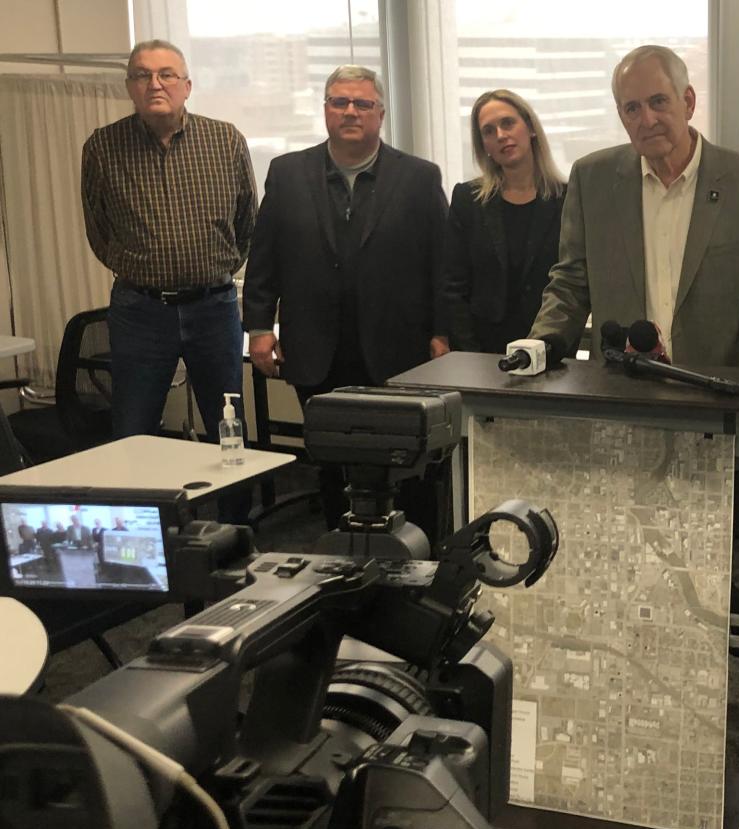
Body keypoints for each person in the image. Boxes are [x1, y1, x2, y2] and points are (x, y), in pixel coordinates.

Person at [528, 44, 739, 720]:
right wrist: (539, 343)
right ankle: (653, 684)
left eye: (657, 101)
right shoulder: (594, 180)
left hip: (718, 400)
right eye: (630, 106)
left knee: (704, 555)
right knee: (631, 544)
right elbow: (570, 282)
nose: (645, 117)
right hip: (625, 393)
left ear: (687, 101)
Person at [243, 65, 449, 533]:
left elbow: (443, 264)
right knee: (333, 461)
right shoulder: (288, 171)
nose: (350, 112)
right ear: (325, 111)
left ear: (381, 114)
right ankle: (343, 556)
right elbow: (265, 256)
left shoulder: (418, 176)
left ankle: (411, 556)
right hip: (316, 347)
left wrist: (442, 332)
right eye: (339, 102)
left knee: (405, 461)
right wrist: (258, 328)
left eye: (362, 103)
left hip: (398, 350)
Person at [81, 39, 256, 445]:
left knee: (228, 428)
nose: (154, 84)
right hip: (140, 311)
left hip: (213, 307)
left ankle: (232, 511)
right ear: (129, 86)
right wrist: (141, 268)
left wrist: (210, 271)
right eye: (142, 75)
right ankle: (143, 509)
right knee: (133, 429)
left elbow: (248, 221)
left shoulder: (225, 141)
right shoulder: (102, 148)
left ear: (187, 86)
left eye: (166, 75)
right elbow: (98, 229)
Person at [442, 90, 566, 354]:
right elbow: (454, 288)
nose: (500, 135)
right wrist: (469, 354)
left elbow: (575, 284)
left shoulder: (568, 198)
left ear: (530, 128)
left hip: (552, 350)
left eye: (508, 123)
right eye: (488, 131)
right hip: (483, 354)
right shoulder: (468, 200)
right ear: (484, 146)